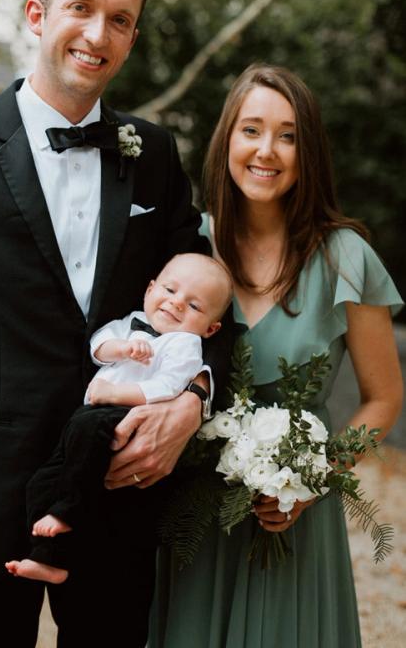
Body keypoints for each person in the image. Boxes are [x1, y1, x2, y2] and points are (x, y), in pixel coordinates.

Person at [0, 0, 230, 648]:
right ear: (36, 16)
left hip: (120, 503)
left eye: (120, 20)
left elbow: (214, 308)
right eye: (81, 7)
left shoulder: (155, 155)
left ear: (134, 36)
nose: (97, 33)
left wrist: (194, 395)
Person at [149, 63, 404, 648]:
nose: (268, 151)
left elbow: (385, 396)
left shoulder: (346, 258)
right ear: (227, 140)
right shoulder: (191, 246)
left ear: (308, 150)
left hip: (289, 527)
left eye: (288, 135)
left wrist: (310, 479)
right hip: (191, 523)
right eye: (251, 130)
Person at [5, 253, 233, 584]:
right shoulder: (131, 323)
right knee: (44, 481)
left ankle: (66, 512)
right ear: (150, 288)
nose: (176, 304)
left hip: (125, 416)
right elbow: (98, 346)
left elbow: (166, 387)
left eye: (194, 306)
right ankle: (48, 558)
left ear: (211, 328)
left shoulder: (185, 345)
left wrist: (115, 394)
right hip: (88, 415)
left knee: (83, 470)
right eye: (169, 290)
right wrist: (121, 349)